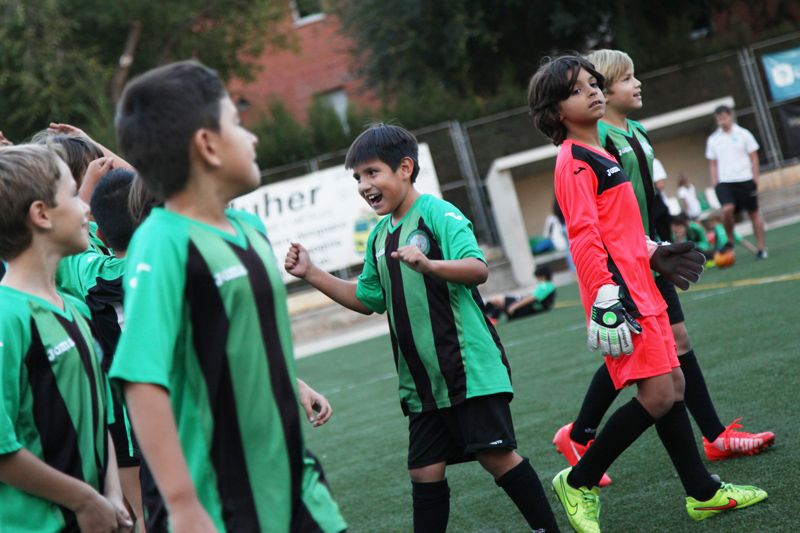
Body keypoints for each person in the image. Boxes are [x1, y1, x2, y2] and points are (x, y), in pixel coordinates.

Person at [528, 54, 767, 532]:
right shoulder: (573, 161)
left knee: (673, 388)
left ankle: (703, 494)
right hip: (621, 295)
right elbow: (584, 235)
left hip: (642, 284)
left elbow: (618, 229)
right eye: (578, 89)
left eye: (594, 83)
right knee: (658, 395)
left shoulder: (602, 153)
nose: (594, 90)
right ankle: (579, 480)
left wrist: (653, 250)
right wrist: (604, 298)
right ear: (556, 112)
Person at [108, 60, 346, 533]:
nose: (253, 137)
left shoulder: (248, 231)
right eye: (238, 123)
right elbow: (140, 380)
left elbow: (243, 343)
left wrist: (294, 386)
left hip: (296, 483)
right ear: (208, 146)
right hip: (225, 503)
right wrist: (181, 506)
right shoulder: (162, 242)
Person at [285, 123, 560, 532]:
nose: (364, 185)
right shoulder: (379, 235)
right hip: (423, 384)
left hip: (469, 372)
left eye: (372, 172)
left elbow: (478, 269)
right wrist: (311, 273)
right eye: (357, 177)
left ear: (405, 168)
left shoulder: (438, 213)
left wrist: (431, 265)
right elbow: (367, 301)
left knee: (496, 458)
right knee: (424, 470)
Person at [0, 144, 132, 531]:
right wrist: (85, 499)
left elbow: (99, 413)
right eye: (73, 195)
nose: (87, 208)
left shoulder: (75, 308)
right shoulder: (7, 316)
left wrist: (109, 493)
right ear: (41, 215)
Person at [705, 105, 767, 259]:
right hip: (725, 182)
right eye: (719, 118)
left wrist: (755, 179)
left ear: (730, 116)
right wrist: (716, 183)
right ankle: (730, 240)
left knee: (754, 213)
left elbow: (754, 157)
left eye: (724, 116)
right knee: (727, 209)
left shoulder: (744, 134)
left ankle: (761, 247)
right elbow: (713, 163)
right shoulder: (713, 140)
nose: (722, 120)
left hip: (745, 179)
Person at [484, 265, 557, 322]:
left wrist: (515, 306)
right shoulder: (547, 285)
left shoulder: (546, 286)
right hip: (528, 308)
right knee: (497, 301)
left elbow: (533, 298)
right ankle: (489, 319)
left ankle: (484, 317)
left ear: (543, 276)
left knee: (496, 301)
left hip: (527, 310)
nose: (537, 279)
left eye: (537, 277)